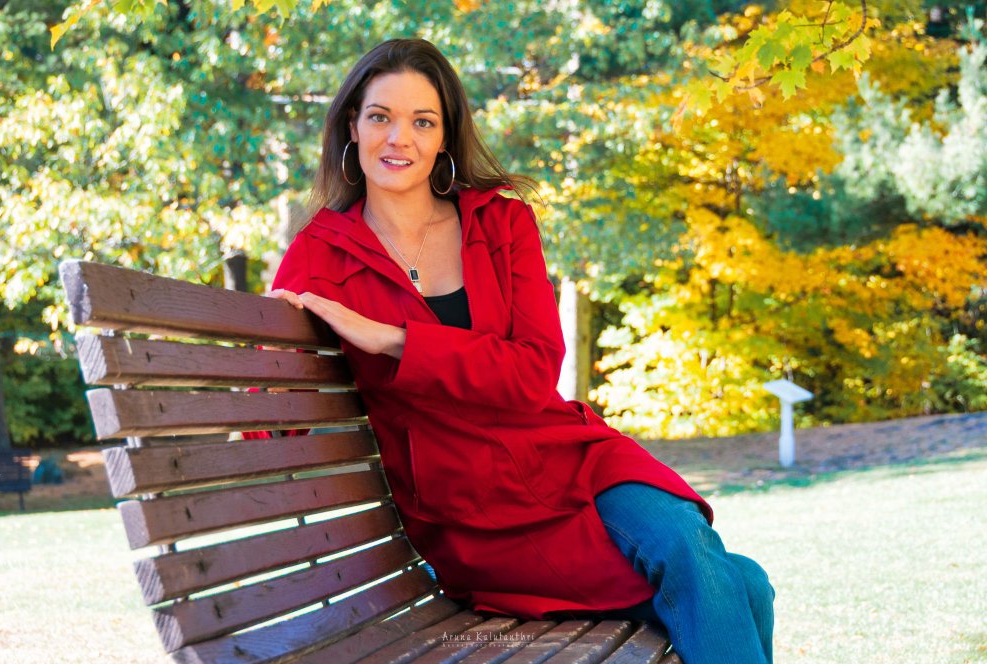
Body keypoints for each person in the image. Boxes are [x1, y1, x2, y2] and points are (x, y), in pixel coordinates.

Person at [264, 38, 775, 664]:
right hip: (476, 514)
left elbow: (534, 372)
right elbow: (272, 405)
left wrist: (393, 339)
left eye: (422, 122)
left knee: (690, 548)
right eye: (380, 117)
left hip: (572, 458)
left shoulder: (501, 223)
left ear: (445, 138)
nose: (399, 139)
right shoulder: (318, 258)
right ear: (353, 125)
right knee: (742, 584)